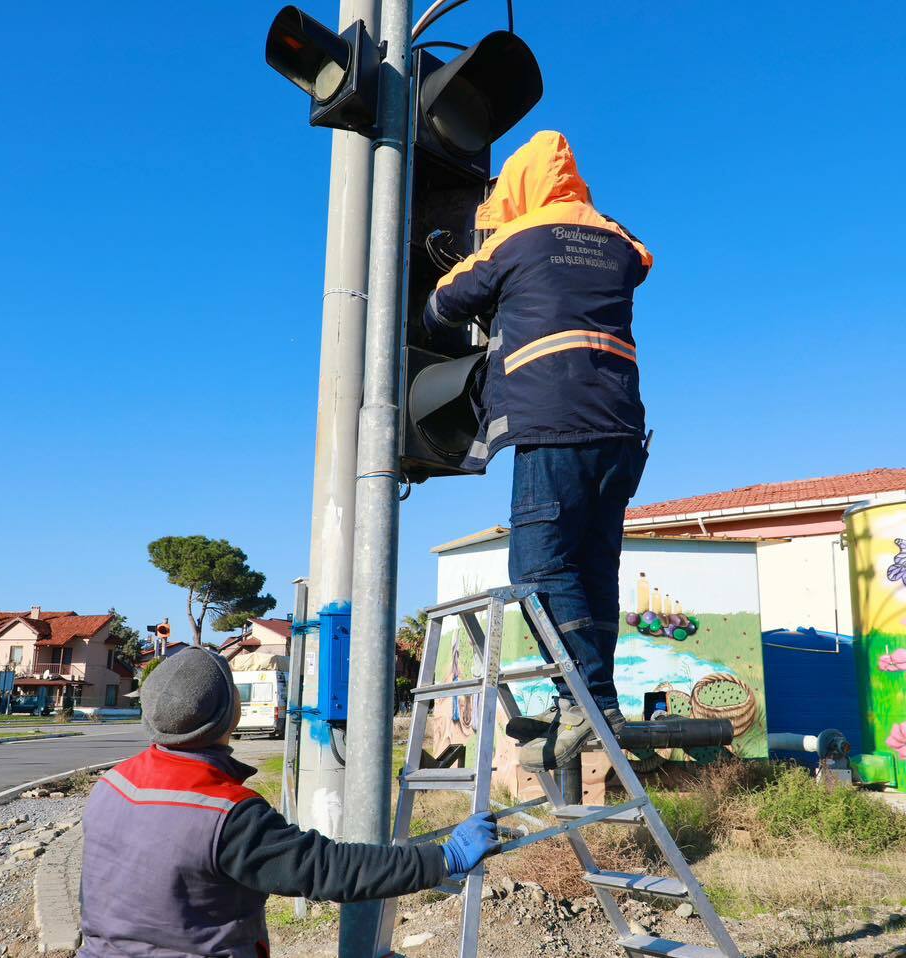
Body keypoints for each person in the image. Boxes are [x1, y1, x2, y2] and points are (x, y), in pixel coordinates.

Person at [424, 130, 652, 772]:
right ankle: (585, 697)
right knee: (592, 566)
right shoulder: (613, 242)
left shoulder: (517, 239)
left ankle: (587, 701)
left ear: (520, 187)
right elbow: (642, 255)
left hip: (554, 420)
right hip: (620, 430)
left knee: (540, 566)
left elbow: (445, 302)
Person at [79, 647, 499, 957]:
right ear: (231, 715)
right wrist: (443, 859)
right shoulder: (227, 813)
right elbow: (328, 869)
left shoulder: (111, 785)